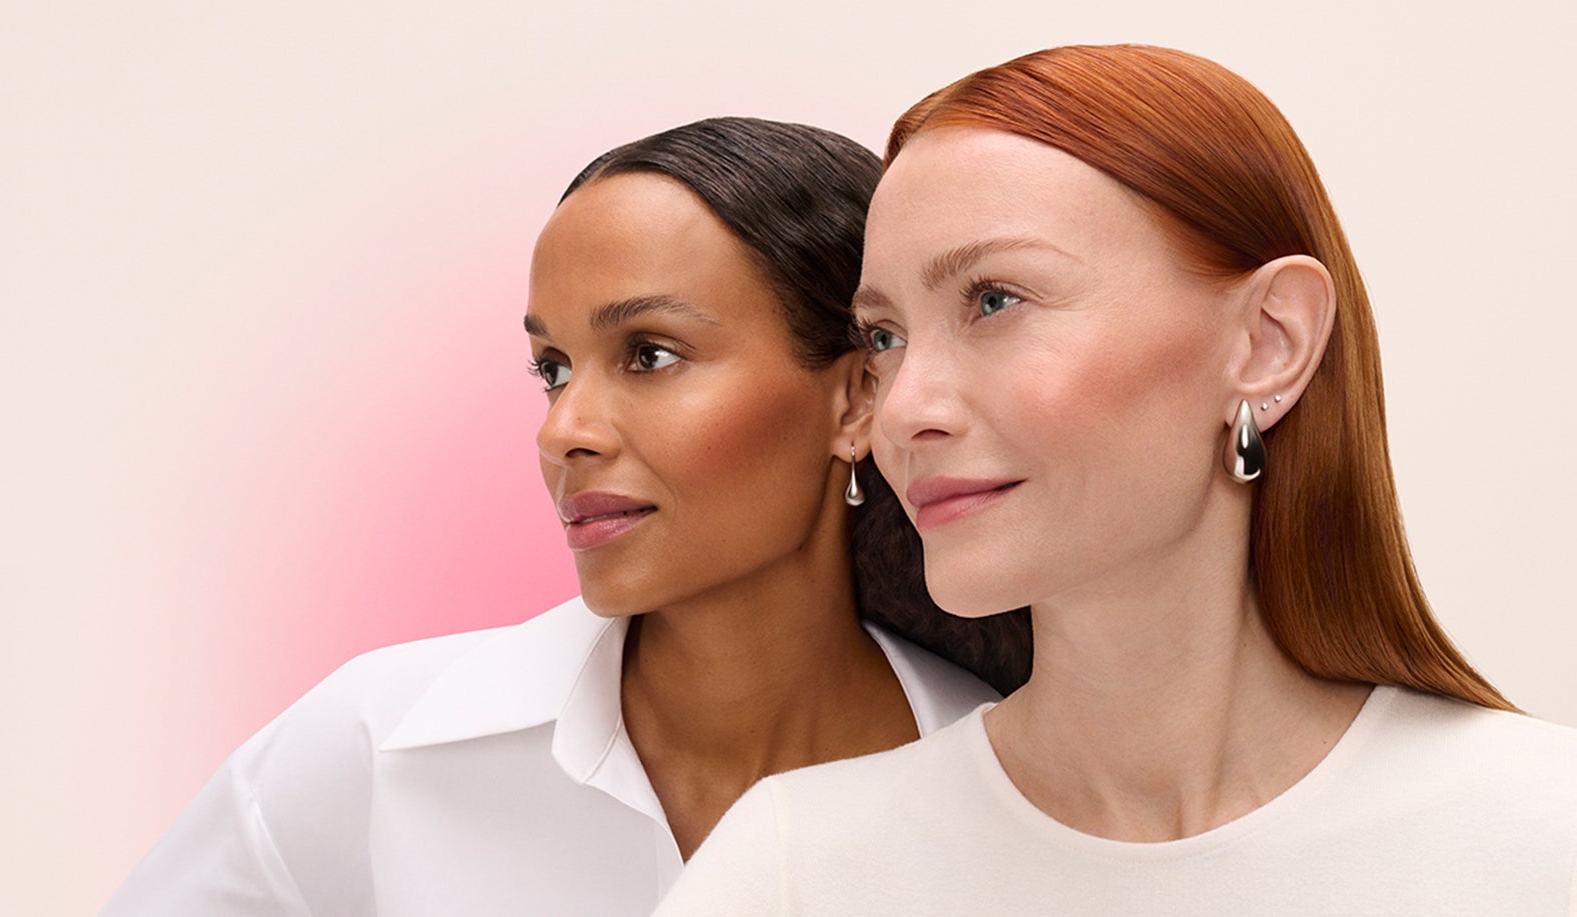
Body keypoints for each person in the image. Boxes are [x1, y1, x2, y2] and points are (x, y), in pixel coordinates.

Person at [655, 45, 1577, 915]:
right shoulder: (790, 873)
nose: (902, 411)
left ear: (1268, 343)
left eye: (994, 300)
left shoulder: (1541, 839)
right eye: (886, 337)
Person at [102, 117, 1027, 916]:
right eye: (552, 367)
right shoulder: (380, 748)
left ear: (858, 399)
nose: (563, 430)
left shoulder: (1012, 804)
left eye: (651, 354)